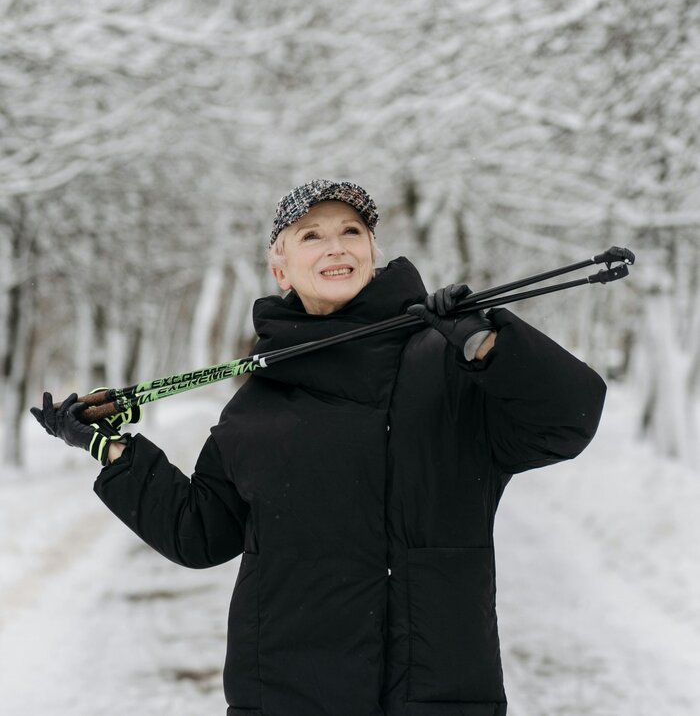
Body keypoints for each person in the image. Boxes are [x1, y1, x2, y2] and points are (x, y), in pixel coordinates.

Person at [31, 179, 606, 716]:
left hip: (441, 689)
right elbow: (201, 533)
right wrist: (114, 453)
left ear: (373, 251)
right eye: (312, 236)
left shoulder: (449, 365)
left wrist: (489, 343)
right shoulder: (257, 403)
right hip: (286, 693)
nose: (336, 247)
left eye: (351, 232)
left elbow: (566, 421)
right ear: (280, 269)